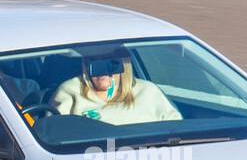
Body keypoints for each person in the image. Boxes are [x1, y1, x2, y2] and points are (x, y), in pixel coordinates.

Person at [50, 51, 181, 125]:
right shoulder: (70, 92)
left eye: (110, 62)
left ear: (124, 64)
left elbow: (177, 131)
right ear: (86, 64)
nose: (102, 69)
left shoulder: (148, 92)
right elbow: (54, 137)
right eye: (94, 61)